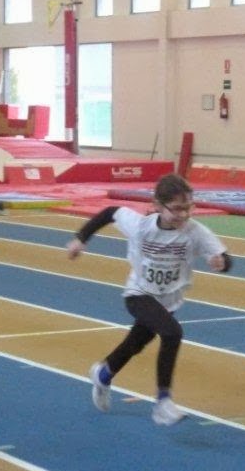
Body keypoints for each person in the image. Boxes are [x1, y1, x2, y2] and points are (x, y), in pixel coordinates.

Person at [66, 174, 232, 425]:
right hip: (139, 293)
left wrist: (221, 263)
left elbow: (225, 257)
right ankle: (163, 403)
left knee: (135, 343)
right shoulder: (141, 226)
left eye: (188, 208)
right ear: (157, 206)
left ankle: (103, 374)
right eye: (176, 209)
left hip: (169, 300)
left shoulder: (195, 232)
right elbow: (110, 212)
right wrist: (81, 239)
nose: (183, 215)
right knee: (172, 333)